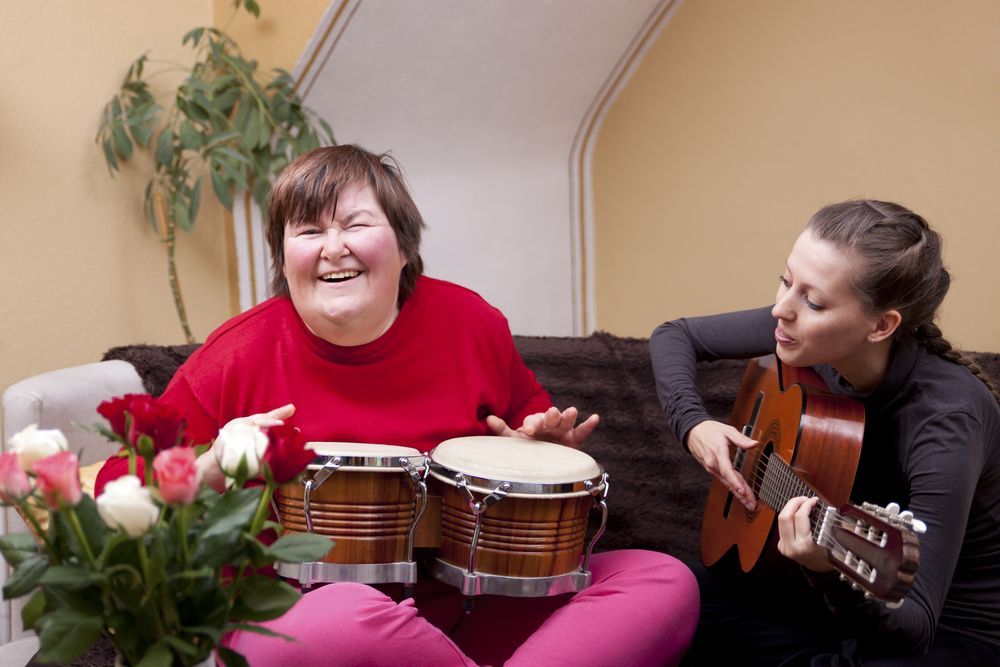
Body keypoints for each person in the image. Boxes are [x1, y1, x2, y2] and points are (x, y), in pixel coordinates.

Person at [96, 144, 698, 666]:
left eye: (355, 224)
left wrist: (538, 445)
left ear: (404, 247)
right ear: (284, 258)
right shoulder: (236, 354)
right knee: (335, 616)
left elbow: (527, 422)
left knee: (664, 580)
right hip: (308, 622)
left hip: (471, 607)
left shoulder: (471, 324)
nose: (333, 248)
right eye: (308, 231)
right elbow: (117, 488)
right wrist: (207, 466)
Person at [650, 199, 1000, 666]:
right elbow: (675, 335)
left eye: (812, 301)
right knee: (665, 597)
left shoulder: (948, 421)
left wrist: (825, 571)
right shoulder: (805, 334)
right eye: (786, 281)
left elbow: (914, 626)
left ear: (881, 325)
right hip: (829, 604)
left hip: (943, 632)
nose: (781, 309)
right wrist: (693, 424)